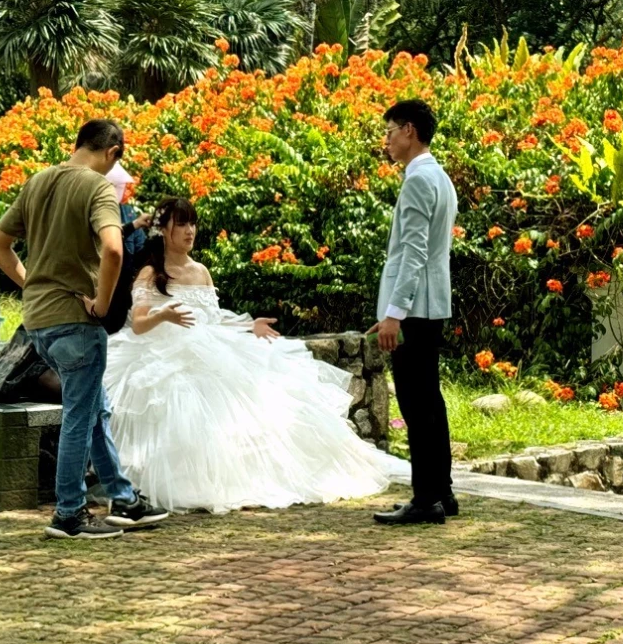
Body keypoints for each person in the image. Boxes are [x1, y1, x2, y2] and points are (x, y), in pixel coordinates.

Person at [103, 197, 409, 513]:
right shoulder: (151, 273)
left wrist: (250, 325)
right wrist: (163, 315)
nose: (189, 230)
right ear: (162, 230)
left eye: (192, 223)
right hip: (160, 354)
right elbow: (139, 324)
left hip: (207, 349)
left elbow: (214, 317)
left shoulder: (201, 271)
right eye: (181, 224)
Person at [0, 118, 170, 540]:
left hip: (38, 322)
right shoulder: (97, 187)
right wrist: (102, 305)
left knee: (93, 409)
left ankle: (123, 499)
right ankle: (69, 514)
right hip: (76, 321)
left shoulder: (37, 182)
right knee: (79, 417)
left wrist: (32, 283)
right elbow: (113, 249)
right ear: (113, 152)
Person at [368, 99, 459, 526]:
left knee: (416, 403)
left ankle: (425, 499)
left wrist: (394, 313)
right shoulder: (439, 176)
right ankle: (442, 491)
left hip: (415, 308)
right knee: (430, 401)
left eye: (390, 131)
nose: (386, 140)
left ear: (409, 130)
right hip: (430, 304)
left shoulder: (419, 180)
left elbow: (413, 252)